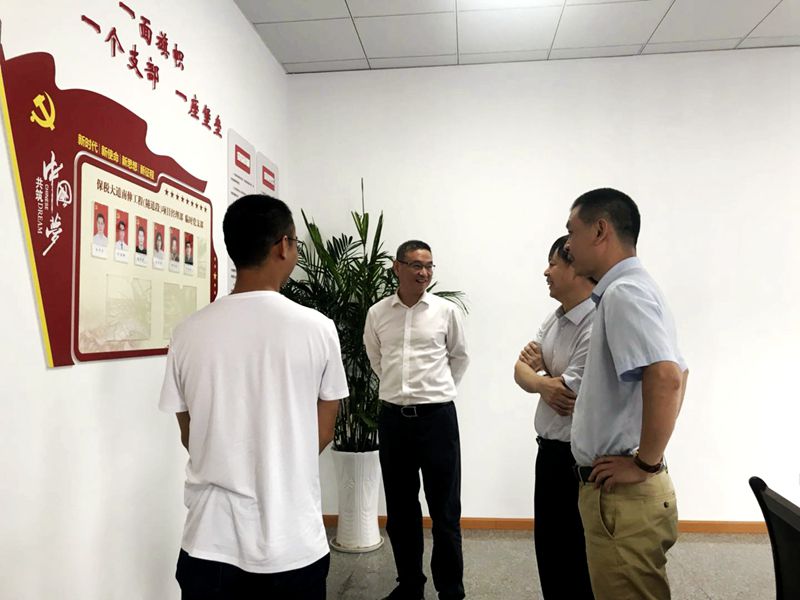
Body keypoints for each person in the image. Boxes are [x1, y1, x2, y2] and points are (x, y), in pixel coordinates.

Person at [159, 194, 347, 599]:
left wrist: (232, 458)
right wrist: (280, 461)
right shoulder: (318, 329)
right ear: (283, 245)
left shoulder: (187, 332)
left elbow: (189, 432)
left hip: (208, 543)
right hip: (292, 543)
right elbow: (324, 429)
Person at [564, 188, 689, 600]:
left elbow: (667, 377)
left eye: (572, 231)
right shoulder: (637, 288)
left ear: (600, 230)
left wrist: (644, 463)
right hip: (625, 495)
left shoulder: (624, 293)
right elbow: (680, 373)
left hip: (623, 498)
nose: (568, 245)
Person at [364, 240, 469, 600]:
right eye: (416, 265)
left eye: (429, 266)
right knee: (401, 510)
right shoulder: (378, 313)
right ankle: (410, 586)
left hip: (437, 420)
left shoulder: (445, 311)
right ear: (397, 267)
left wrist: (434, 392)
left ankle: (451, 591)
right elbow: (376, 358)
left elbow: (459, 357)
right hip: (394, 420)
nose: (424, 273)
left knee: (445, 511)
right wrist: (401, 390)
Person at [514, 235, 595, 600]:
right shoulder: (556, 318)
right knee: (549, 552)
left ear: (575, 268)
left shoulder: (595, 323)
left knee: (576, 559)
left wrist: (541, 377)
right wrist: (543, 383)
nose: (546, 272)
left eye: (553, 264)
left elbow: (567, 396)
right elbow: (520, 369)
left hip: (579, 461)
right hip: (548, 452)